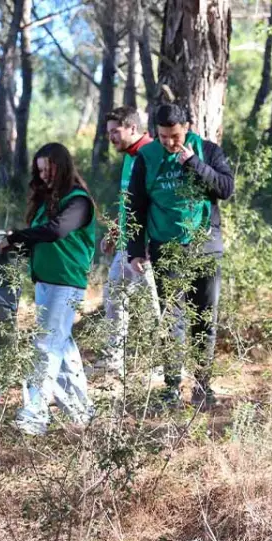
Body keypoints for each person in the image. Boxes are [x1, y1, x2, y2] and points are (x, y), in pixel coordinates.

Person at [126, 103, 235, 407]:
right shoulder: (146, 158)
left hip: (205, 247)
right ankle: (172, 386)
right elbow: (135, 205)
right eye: (162, 137)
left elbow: (226, 188)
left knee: (203, 318)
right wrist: (135, 249)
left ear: (186, 127)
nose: (169, 142)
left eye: (174, 136)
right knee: (171, 320)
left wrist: (194, 163)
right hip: (166, 248)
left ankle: (203, 385)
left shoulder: (208, 150)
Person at [3, 143, 97, 435]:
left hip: (66, 283)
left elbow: (56, 231)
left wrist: (16, 237)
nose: (43, 176)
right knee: (62, 344)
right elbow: (38, 236)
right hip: (45, 282)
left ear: (62, 167)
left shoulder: (78, 202)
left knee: (45, 345)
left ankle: (35, 414)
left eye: (48, 169)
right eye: (39, 170)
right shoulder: (47, 201)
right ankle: (81, 411)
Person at [98, 105, 160, 378]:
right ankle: (114, 361)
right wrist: (114, 232)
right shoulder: (128, 156)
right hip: (126, 245)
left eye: (115, 131)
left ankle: (163, 366)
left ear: (132, 128)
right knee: (113, 297)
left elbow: (157, 203)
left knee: (152, 306)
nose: (111, 137)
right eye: (109, 132)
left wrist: (146, 244)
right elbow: (128, 203)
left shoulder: (151, 154)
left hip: (145, 248)